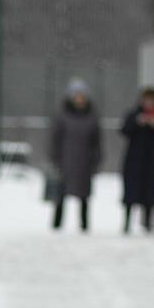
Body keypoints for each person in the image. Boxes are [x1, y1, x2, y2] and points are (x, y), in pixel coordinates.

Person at [50, 77, 101, 233]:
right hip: (66, 161)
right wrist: (55, 159)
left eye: (82, 96)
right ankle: (56, 225)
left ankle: (84, 225)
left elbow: (97, 142)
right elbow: (55, 140)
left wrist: (95, 160)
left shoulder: (92, 118)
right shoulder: (62, 117)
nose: (79, 99)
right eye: (76, 96)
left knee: (84, 195)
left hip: (84, 162)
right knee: (61, 193)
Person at [121, 87, 154, 234]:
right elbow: (124, 130)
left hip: (151, 162)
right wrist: (137, 122)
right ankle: (127, 223)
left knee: (149, 193)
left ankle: (148, 223)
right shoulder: (134, 114)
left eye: (152, 100)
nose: (149, 103)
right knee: (130, 193)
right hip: (134, 161)